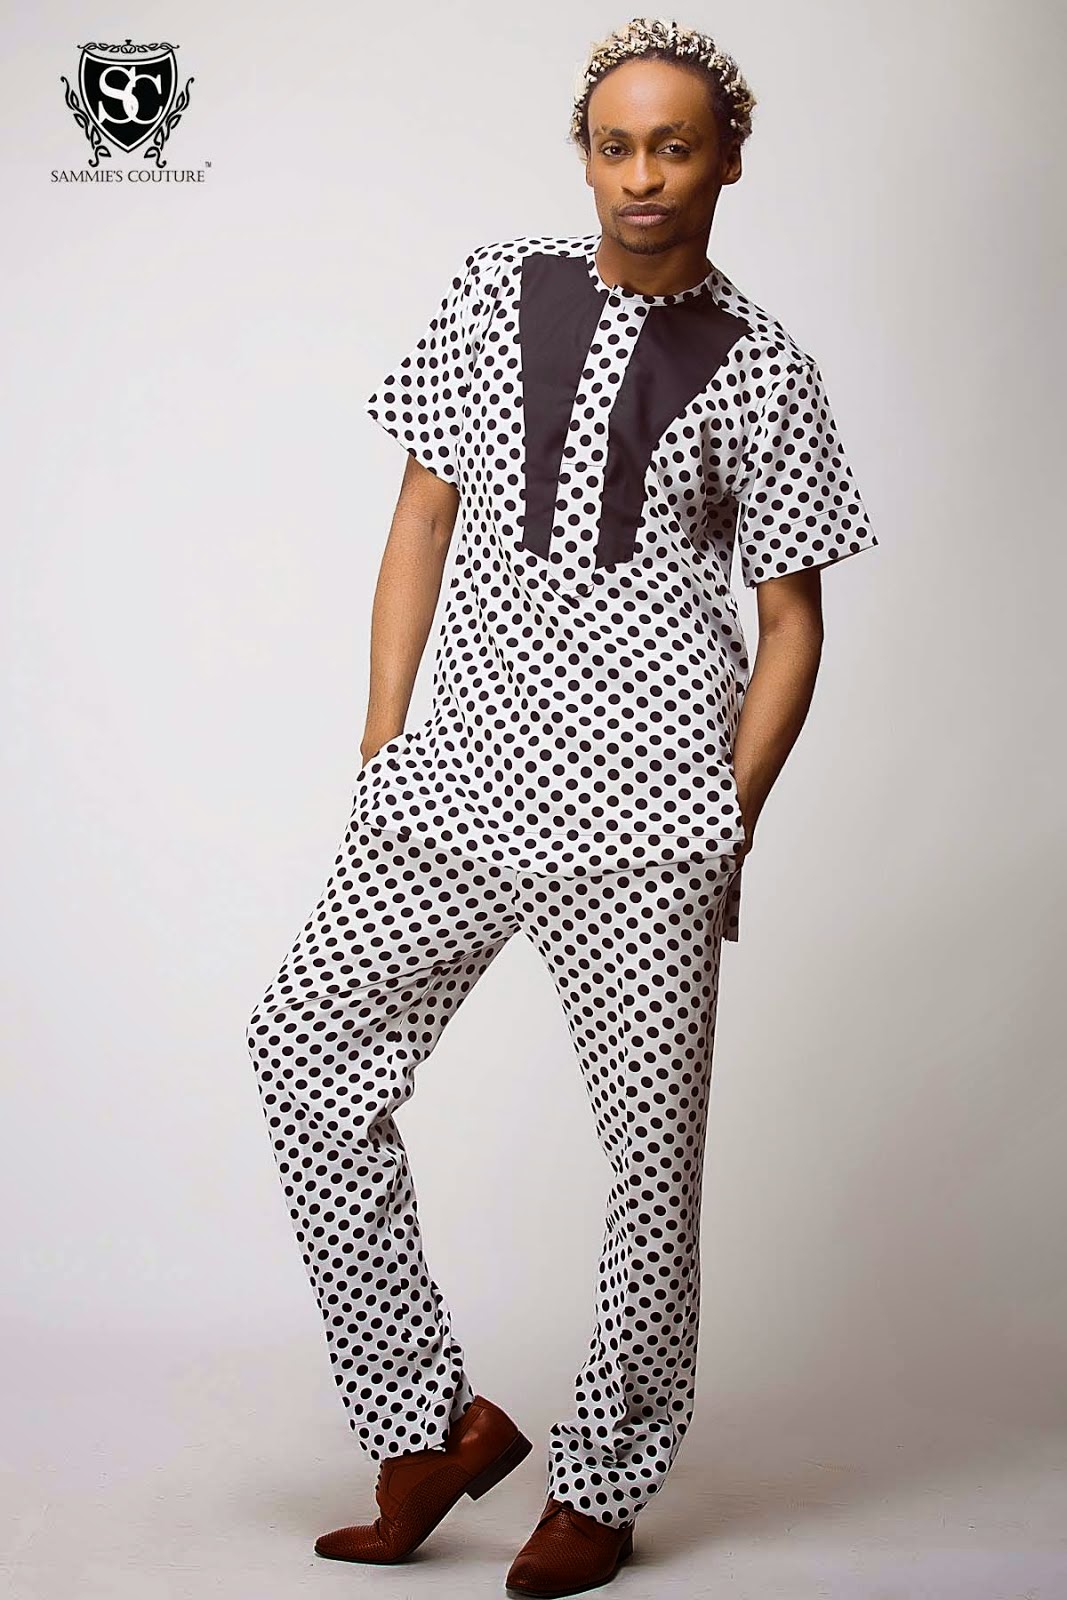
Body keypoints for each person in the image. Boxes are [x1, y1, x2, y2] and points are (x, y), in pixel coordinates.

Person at [245, 15, 879, 1597]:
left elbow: (793, 628)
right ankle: (427, 1427)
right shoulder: (493, 288)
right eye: (616, 144)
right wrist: (384, 748)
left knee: (650, 1167)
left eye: (676, 145)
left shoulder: (769, 370)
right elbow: (420, 519)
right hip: (458, 784)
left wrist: (726, 819)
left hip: (650, 817)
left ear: (728, 160)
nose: (643, 174)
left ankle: (602, 1480)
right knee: (304, 1048)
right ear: (585, 157)